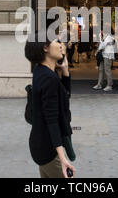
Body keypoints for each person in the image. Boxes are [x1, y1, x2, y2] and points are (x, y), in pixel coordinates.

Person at [24, 33, 76, 178]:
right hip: (48, 149)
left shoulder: (41, 71)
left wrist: (64, 70)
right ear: (45, 48)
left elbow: (63, 97)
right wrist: (62, 157)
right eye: (57, 42)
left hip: (41, 143)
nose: (61, 45)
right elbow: (51, 120)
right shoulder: (48, 77)